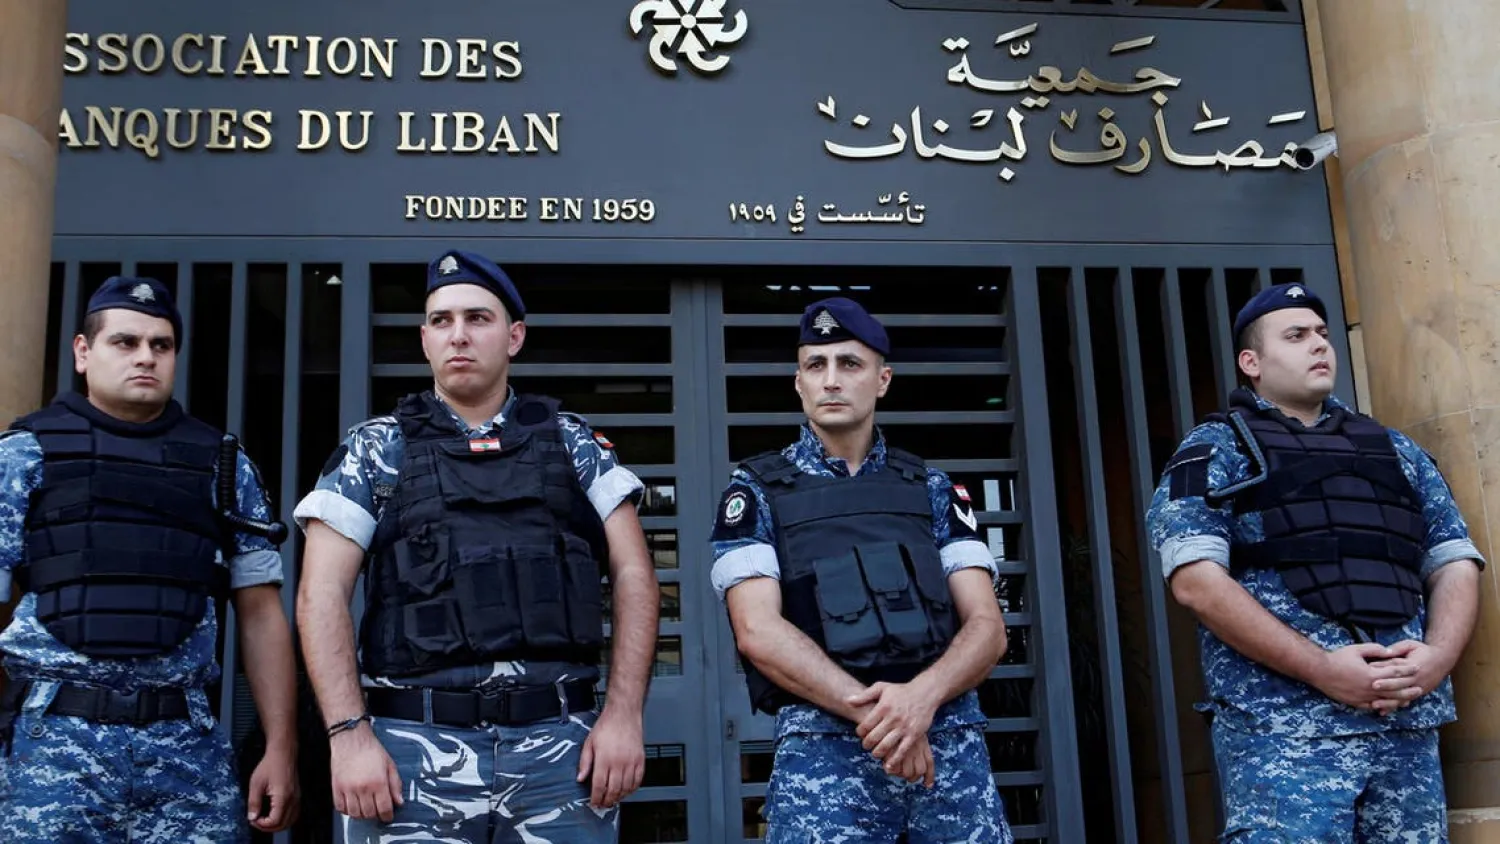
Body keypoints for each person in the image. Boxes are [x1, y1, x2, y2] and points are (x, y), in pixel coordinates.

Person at [294, 249, 659, 843]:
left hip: (561, 751)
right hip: (411, 755)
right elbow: (321, 595)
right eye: (441, 321)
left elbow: (635, 577)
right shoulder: (375, 450)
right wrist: (349, 736)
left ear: (514, 336)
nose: (458, 335)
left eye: (478, 319)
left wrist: (623, 716)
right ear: (424, 339)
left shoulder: (572, 444)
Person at [1147, 283, 1484, 841]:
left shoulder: (1395, 449)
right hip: (1284, 730)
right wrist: (1323, 669)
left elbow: (1453, 559)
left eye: (1323, 335)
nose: (1319, 346)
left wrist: (1438, 659)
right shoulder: (1218, 449)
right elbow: (1196, 583)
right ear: (1251, 362)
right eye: (1296, 336)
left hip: (1404, 725)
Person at [0, 275, 301, 842]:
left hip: (185, 748)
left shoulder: (222, 465)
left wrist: (280, 748)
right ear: (83, 352)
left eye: (161, 346)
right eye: (126, 342)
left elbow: (261, 614)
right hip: (54, 747)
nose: (146, 357)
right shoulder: (24, 455)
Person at [711, 296, 1013, 843]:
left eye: (849, 364)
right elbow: (757, 631)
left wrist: (918, 701)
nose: (831, 380)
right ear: (798, 382)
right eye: (815, 365)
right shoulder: (755, 491)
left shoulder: (933, 489)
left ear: (883, 379)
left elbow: (987, 628)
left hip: (947, 754)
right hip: (824, 764)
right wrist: (889, 719)